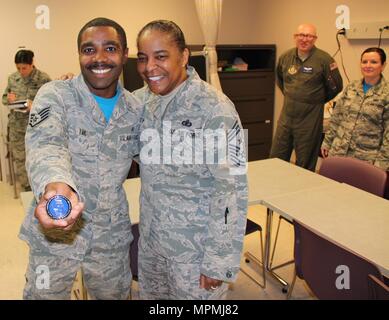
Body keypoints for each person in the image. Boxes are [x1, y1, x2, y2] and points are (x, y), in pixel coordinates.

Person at [19, 17, 142, 299]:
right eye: (88, 50)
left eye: (110, 48)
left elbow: (158, 161)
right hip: (55, 230)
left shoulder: (136, 109)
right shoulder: (55, 95)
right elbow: (46, 145)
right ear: (79, 55)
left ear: (125, 54)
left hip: (109, 235)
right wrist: (55, 185)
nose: (99, 58)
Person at [133, 20, 248, 300]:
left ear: (184, 56)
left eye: (161, 56)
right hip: (152, 244)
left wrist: (218, 260)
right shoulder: (141, 102)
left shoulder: (215, 108)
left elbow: (232, 190)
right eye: (143, 58)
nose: (150, 67)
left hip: (194, 253)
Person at [270, 23, 343, 171]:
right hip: (287, 116)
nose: (304, 39)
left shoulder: (324, 60)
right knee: (276, 156)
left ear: (315, 38)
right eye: (301, 35)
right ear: (295, 37)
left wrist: (314, 99)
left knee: (305, 162)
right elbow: (280, 80)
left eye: (309, 36)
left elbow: (336, 86)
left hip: (310, 118)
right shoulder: (286, 57)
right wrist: (294, 96)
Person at [321, 47, 389, 171]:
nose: (368, 65)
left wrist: (382, 163)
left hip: (366, 158)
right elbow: (337, 117)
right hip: (338, 151)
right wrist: (327, 141)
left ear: (383, 65)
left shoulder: (386, 94)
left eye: (374, 62)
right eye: (364, 62)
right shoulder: (352, 87)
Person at [2, 50, 51, 191]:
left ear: (32, 64)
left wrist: (34, 105)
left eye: (24, 68)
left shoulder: (43, 79)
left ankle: (42, 187)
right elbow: (4, 98)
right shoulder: (13, 78)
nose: (21, 71)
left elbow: (52, 103)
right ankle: (27, 188)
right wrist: (9, 99)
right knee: (21, 159)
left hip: (38, 127)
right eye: (18, 68)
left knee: (39, 159)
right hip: (17, 128)